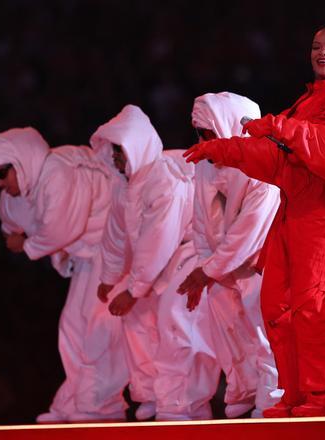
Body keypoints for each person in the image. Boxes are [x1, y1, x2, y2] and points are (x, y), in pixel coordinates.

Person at [183, 25, 325, 417]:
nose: (321, 53)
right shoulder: (304, 104)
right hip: (292, 213)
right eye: (316, 47)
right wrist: (225, 149)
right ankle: (293, 395)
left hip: (321, 217)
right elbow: (281, 163)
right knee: (275, 303)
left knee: (311, 308)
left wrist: (279, 127)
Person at [0, 127, 129, 423]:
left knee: (96, 324)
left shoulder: (57, 172)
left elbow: (61, 230)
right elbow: (9, 220)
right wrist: (16, 236)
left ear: (20, 162)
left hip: (114, 246)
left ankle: (101, 405)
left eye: (2, 173)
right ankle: (79, 401)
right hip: (90, 255)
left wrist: (24, 243)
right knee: (72, 326)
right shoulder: (23, 188)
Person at [172, 91, 282, 418]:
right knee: (226, 324)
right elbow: (203, 222)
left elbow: (252, 227)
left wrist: (209, 270)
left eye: (209, 133)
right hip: (225, 265)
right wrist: (208, 269)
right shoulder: (206, 165)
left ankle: (273, 396)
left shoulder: (263, 163)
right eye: (199, 133)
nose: (203, 141)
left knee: (263, 330)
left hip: (263, 261)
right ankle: (244, 387)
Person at [91, 104, 197, 420]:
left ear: (135, 146)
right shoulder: (126, 186)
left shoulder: (165, 178)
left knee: (171, 321)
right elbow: (115, 235)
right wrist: (110, 278)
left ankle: (178, 403)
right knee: (136, 321)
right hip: (152, 266)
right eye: (114, 152)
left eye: (120, 151)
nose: (115, 158)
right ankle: (150, 393)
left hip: (184, 253)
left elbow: (160, 238)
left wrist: (134, 289)